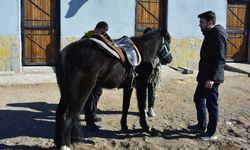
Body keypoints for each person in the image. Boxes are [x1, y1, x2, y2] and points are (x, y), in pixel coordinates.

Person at [188, 11, 228, 141]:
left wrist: (212, 78)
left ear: (209, 22)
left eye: (202, 22)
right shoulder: (210, 33)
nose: (199, 25)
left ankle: (211, 133)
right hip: (205, 75)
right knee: (198, 98)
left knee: (211, 105)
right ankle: (201, 125)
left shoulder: (217, 35)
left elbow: (220, 59)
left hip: (211, 77)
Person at [81, 21, 111, 129]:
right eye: (101, 31)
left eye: (104, 32)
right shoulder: (86, 37)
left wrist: (107, 40)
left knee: (98, 91)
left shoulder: (104, 38)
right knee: (89, 94)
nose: (102, 33)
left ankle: (92, 113)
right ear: (96, 28)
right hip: (87, 72)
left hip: (98, 72)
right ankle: (89, 119)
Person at [143, 27, 161, 117]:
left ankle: (151, 108)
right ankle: (143, 109)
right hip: (143, 71)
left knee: (152, 90)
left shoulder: (156, 45)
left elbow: (159, 57)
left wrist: (158, 66)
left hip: (154, 71)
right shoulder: (141, 45)